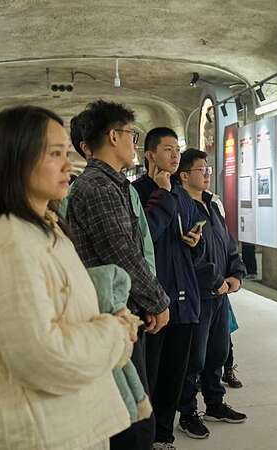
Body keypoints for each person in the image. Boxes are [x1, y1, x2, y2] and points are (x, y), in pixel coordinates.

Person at [0, 105, 139, 450]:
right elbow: (44, 358)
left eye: (67, 153)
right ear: (18, 159)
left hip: (69, 424)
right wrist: (115, 332)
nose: (67, 166)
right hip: (43, 434)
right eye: (55, 154)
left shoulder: (47, 229)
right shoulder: (10, 245)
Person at [66, 101, 169, 450]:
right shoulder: (98, 187)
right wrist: (157, 300)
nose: (133, 142)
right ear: (113, 136)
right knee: (131, 421)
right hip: (111, 315)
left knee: (134, 411)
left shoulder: (111, 184)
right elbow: (121, 253)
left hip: (123, 309)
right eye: (131, 134)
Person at [132, 127, 203, 449]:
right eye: (167, 149)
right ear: (150, 154)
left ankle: (164, 435)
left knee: (176, 372)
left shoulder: (182, 194)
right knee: (150, 374)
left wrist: (196, 242)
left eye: (177, 150)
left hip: (184, 298)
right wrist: (162, 195)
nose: (175, 156)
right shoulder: (136, 192)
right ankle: (146, 437)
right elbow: (142, 238)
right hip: (153, 299)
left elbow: (195, 243)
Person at [175, 149, 247, 440]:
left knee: (219, 352)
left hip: (220, 294)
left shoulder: (211, 205)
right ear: (184, 175)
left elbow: (228, 244)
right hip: (199, 295)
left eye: (208, 169)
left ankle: (215, 403)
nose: (207, 173)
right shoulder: (181, 208)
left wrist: (236, 275)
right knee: (195, 358)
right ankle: (188, 412)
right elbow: (189, 255)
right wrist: (216, 281)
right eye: (201, 169)